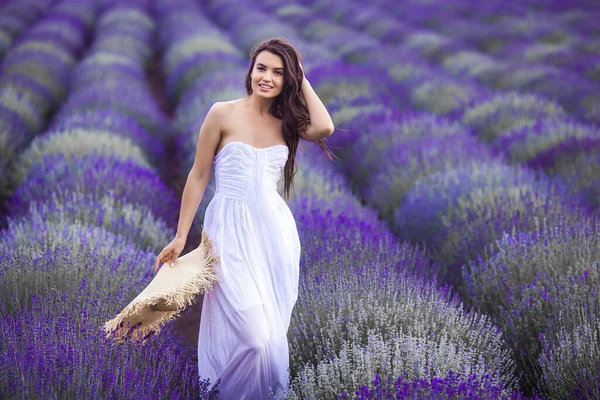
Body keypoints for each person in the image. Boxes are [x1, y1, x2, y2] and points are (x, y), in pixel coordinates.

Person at [153, 38, 335, 399]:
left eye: (278, 72)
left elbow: (325, 128)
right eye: (261, 68)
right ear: (250, 70)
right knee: (254, 338)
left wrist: (303, 76)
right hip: (228, 232)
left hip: (275, 235)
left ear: (289, 80)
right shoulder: (222, 113)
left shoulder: (287, 122)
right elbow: (199, 175)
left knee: (269, 337)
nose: (266, 77)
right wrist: (180, 236)